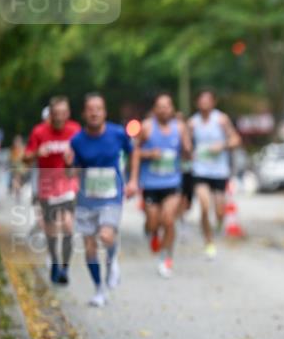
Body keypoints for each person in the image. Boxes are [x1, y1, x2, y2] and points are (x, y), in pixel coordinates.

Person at [65, 93, 135, 306]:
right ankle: (99, 289)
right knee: (89, 247)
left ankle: (112, 261)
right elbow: (73, 173)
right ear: (85, 113)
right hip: (87, 198)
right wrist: (68, 165)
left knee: (106, 236)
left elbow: (135, 152)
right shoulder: (77, 141)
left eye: (99, 108)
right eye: (90, 109)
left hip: (111, 196)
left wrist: (133, 180)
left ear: (104, 112)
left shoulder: (118, 134)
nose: (94, 112)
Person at [130, 93, 190, 278]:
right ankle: (151, 232)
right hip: (150, 183)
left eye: (167, 106)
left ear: (172, 108)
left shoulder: (179, 127)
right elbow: (135, 152)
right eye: (160, 106)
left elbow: (188, 152)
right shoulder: (147, 127)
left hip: (172, 182)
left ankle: (166, 257)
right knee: (153, 221)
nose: (164, 109)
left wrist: (187, 149)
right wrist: (148, 156)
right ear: (155, 109)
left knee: (168, 220)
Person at [23, 96, 80, 284]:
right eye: (56, 114)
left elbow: (83, 157)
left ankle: (64, 268)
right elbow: (25, 158)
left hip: (68, 185)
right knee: (52, 230)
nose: (60, 117)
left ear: (68, 113)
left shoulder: (75, 130)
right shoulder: (39, 132)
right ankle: (55, 261)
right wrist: (36, 153)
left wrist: (75, 162)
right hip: (47, 187)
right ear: (51, 114)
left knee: (68, 226)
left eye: (64, 113)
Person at [188, 89, 242, 259]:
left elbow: (236, 140)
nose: (204, 103)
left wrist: (223, 145)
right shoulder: (192, 123)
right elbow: (186, 145)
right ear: (197, 103)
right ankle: (209, 242)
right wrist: (188, 152)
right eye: (201, 100)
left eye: (207, 100)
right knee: (204, 206)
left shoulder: (221, 119)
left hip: (219, 172)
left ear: (213, 102)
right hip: (200, 170)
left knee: (219, 212)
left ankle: (217, 224)